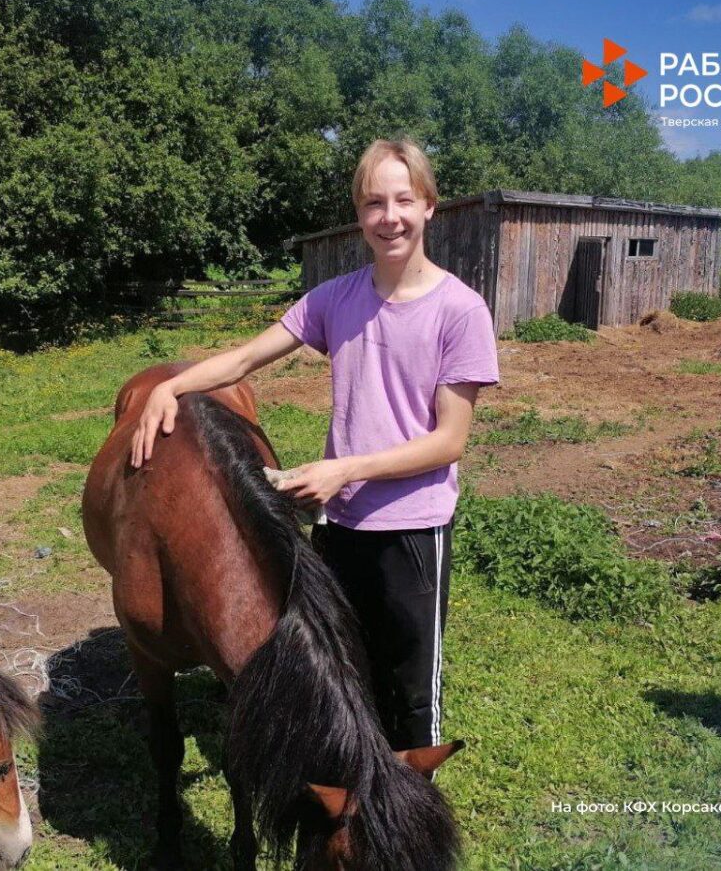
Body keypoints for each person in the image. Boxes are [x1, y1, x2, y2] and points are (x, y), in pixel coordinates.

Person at [130, 137, 500, 752]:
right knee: (340, 673)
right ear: (359, 214)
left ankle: (409, 816)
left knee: (409, 695)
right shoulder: (337, 298)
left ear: (430, 206)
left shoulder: (460, 311)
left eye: (404, 200)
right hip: (338, 524)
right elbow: (247, 356)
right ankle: (348, 808)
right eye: (374, 203)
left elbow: (448, 441)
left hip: (413, 531)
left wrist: (344, 469)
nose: (390, 217)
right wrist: (168, 390)